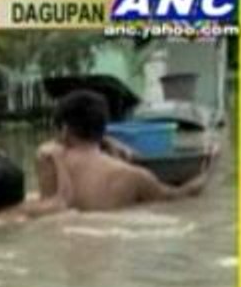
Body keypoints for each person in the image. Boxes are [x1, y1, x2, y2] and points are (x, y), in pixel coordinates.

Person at [36, 90, 215, 211]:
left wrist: (106, 140)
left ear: (64, 129)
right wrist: (210, 167)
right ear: (103, 127)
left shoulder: (48, 159)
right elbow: (180, 195)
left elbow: (51, 207)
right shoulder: (134, 176)